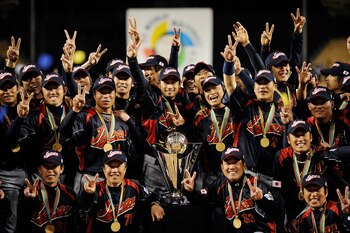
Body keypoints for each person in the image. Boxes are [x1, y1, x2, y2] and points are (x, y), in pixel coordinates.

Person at [59, 76, 144, 196]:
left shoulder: (121, 122)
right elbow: (64, 134)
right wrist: (74, 110)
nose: (106, 96)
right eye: (102, 92)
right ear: (94, 95)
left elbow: (134, 152)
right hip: (90, 177)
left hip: (115, 178)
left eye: (109, 92)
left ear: (115, 94)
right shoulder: (85, 117)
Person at [182, 146, 282, 233]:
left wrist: (261, 200)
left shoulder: (256, 185)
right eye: (228, 163)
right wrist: (190, 192)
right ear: (222, 167)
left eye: (235, 162)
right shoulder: (219, 185)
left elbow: (277, 212)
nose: (231, 167)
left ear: (244, 165)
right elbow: (203, 201)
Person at [81, 149, 163, 233]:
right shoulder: (96, 188)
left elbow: (149, 197)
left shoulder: (134, 186)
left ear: (125, 169)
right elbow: (84, 208)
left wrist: (154, 204)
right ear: (103, 169)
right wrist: (88, 194)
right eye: (111, 166)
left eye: (118, 166)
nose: (114, 170)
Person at [0, 71, 32, 233]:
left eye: (10, 87)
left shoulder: (27, 107)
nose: (7, 92)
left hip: (27, 172)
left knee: (29, 221)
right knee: (9, 225)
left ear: (18, 88)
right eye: (2, 89)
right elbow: (8, 140)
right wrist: (20, 118)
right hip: (5, 175)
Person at [23, 150, 81, 233]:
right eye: (46, 166)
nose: (50, 170)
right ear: (39, 169)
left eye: (54, 166)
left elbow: (78, 221)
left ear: (61, 169)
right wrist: (29, 199)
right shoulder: (30, 192)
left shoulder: (69, 193)